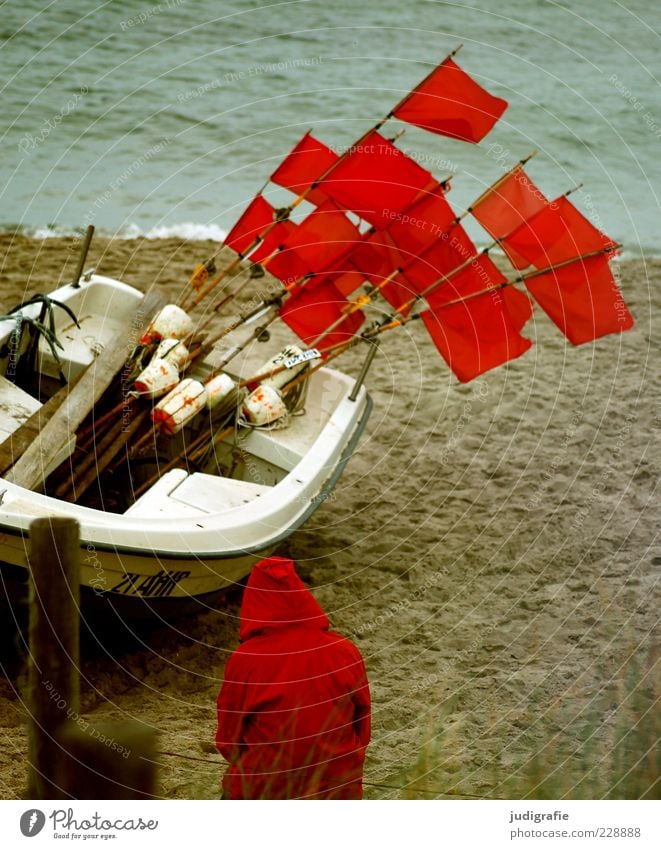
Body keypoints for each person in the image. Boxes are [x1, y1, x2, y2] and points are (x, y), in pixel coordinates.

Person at [215, 555, 371, 799]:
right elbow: (363, 727)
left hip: (268, 787)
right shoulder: (345, 650)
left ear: (254, 602)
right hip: (339, 786)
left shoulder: (245, 659)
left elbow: (228, 740)